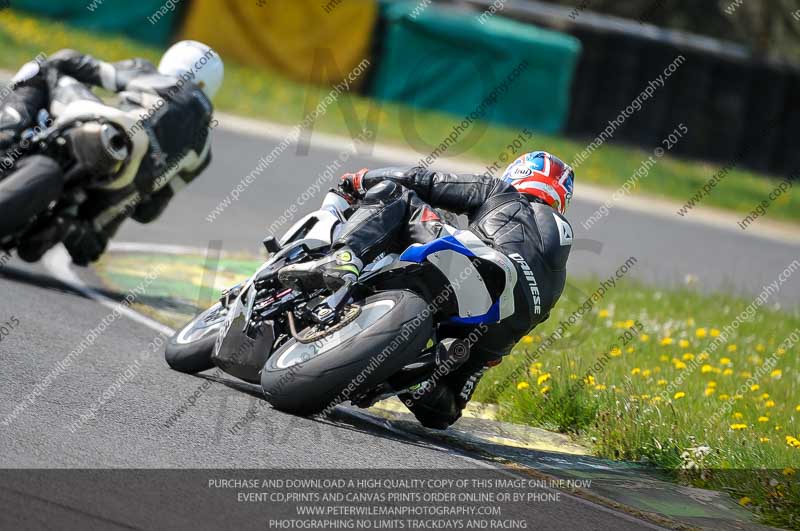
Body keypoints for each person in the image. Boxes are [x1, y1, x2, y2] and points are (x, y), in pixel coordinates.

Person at [279, 151, 574, 429]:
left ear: (518, 174)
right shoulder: (559, 267)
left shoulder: (503, 193)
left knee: (396, 194)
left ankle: (344, 258)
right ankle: (416, 377)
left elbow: (424, 180)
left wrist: (360, 179)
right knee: (444, 410)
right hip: (504, 324)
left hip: (478, 265)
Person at [0, 40, 223, 265]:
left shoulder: (149, 73)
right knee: (92, 244)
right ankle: (67, 226)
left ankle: (7, 136)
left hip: (107, 129)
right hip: (118, 193)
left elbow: (71, 61)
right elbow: (147, 212)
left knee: (43, 68)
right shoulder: (204, 151)